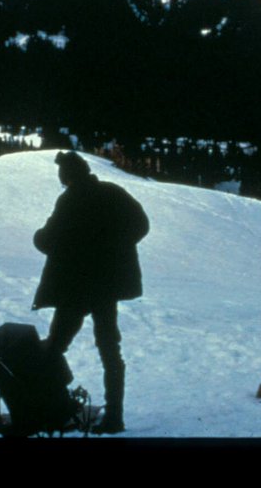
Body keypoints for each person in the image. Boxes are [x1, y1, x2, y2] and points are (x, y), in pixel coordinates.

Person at [32, 151, 150, 434]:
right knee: (110, 350)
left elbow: (47, 241)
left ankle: (52, 407)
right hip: (106, 288)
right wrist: (116, 247)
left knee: (55, 347)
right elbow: (141, 225)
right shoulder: (113, 192)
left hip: (76, 288)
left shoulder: (70, 200)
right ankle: (115, 417)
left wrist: (39, 236)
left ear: (68, 176)